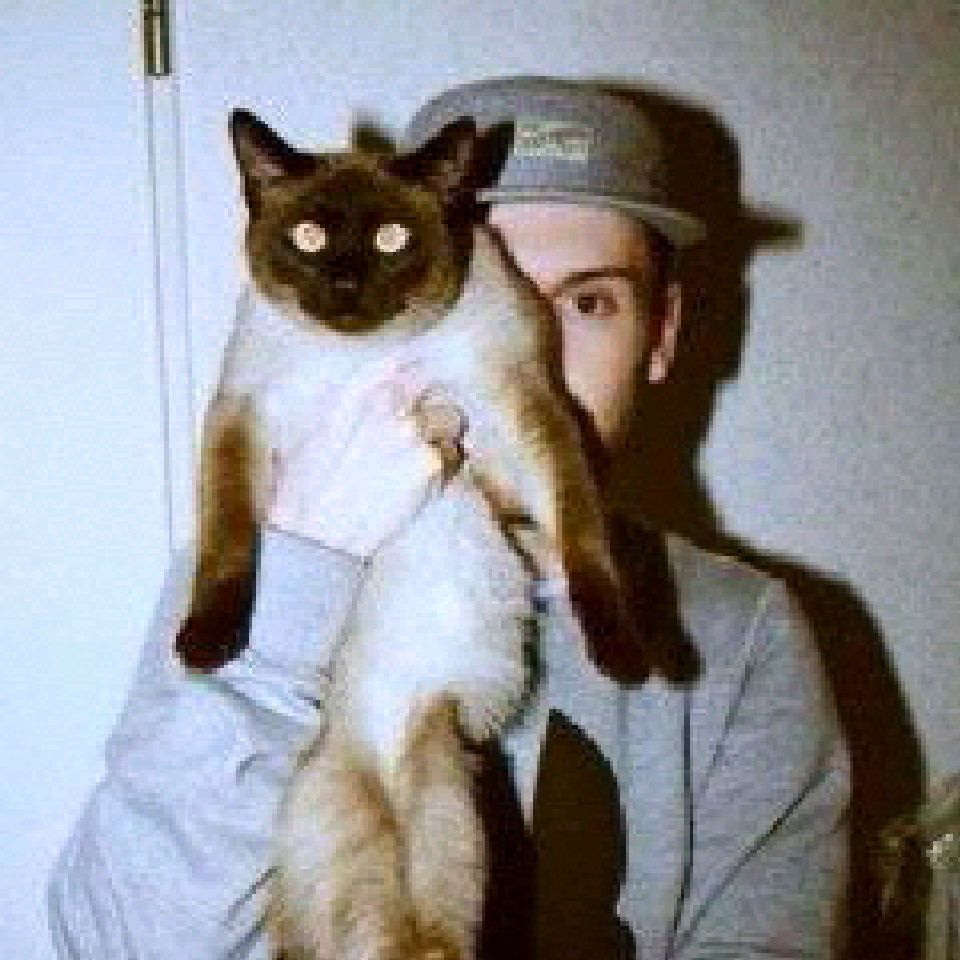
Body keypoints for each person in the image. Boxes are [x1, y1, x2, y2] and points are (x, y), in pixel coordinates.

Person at [47, 75, 850, 959]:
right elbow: (112, 945)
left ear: (661, 335)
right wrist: (296, 584)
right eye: (495, 283)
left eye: (588, 303)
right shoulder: (257, 580)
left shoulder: (739, 636)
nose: (532, 343)